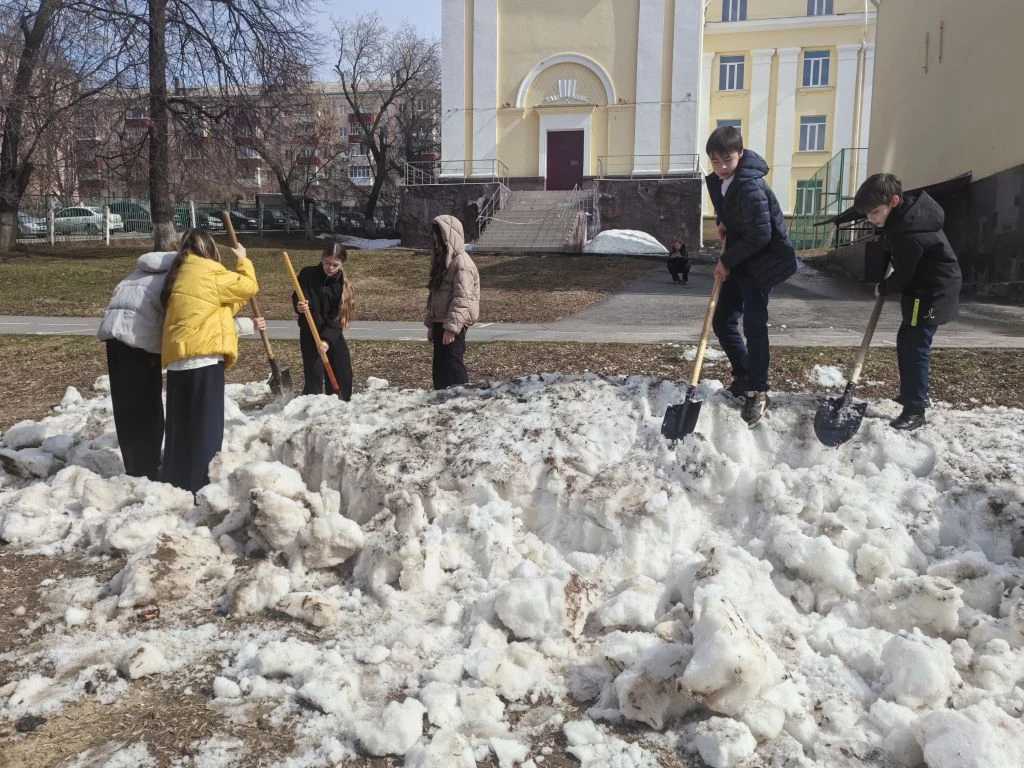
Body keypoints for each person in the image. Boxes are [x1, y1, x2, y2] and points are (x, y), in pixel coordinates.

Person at [704, 125, 797, 426]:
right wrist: (723, 222)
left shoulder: (750, 186)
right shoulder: (723, 181)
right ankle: (744, 375)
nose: (721, 167)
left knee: (754, 327)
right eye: (715, 161)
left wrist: (726, 261)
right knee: (722, 320)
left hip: (763, 262)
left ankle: (758, 390)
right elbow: (731, 211)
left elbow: (760, 234)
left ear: (740, 154)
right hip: (742, 259)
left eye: (727, 160)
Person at [854, 173, 962, 430]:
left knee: (915, 345)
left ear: (893, 201)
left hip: (932, 297)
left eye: (875, 212)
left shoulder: (910, 232)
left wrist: (883, 287)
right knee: (907, 340)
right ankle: (911, 393)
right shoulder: (905, 219)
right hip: (920, 293)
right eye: (868, 214)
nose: (872, 219)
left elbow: (904, 275)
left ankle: (915, 409)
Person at [160, 229, 259, 494]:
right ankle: (200, 486)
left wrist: (237, 305)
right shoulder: (210, 271)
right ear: (209, 249)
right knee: (206, 430)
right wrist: (243, 259)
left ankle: (174, 484)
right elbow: (249, 286)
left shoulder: (179, 273)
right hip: (204, 360)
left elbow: (211, 305)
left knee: (180, 429)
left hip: (178, 363)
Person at [97, 251, 176, 480]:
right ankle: (147, 466)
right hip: (138, 342)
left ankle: (134, 464)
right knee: (148, 404)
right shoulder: (171, 278)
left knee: (125, 406)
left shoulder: (136, 274)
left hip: (114, 340)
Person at [293, 242, 354, 400]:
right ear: (322, 259)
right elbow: (298, 295)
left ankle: (339, 403)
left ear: (342, 264)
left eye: (335, 265)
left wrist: (326, 340)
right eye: (327, 263)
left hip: (332, 333)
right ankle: (313, 404)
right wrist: (299, 306)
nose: (330, 268)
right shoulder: (307, 274)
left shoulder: (342, 285)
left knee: (342, 371)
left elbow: (338, 316)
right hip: (310, 332)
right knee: (314, 375)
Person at [425, 215, 479, 390]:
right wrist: (431, 323)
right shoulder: (442, 261)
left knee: (453, 366)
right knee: (440, 368)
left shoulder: (462, 263)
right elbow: (434, 295)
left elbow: (462, 297)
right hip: (440, 321)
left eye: (438, 234)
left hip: (453, 323)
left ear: (448, 235)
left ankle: (461, 398)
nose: (434, 238)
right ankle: (441, 399)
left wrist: (452, 328)